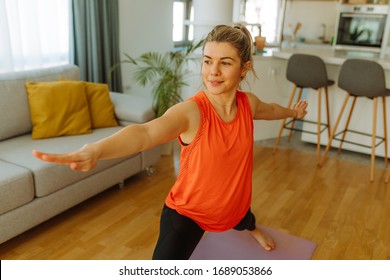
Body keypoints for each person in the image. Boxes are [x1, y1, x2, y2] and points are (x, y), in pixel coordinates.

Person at [33, 24, 308, 260]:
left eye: (225, 62)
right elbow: (145, 133)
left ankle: (252, 228)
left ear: (244, 68)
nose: (213, 71)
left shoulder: (248, 104)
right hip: (189, 212)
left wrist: (292, 112)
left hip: (234, 203)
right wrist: (96, 149)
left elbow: (271, 110)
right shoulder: (191, 112)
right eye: (207, 60)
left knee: (242, 216)